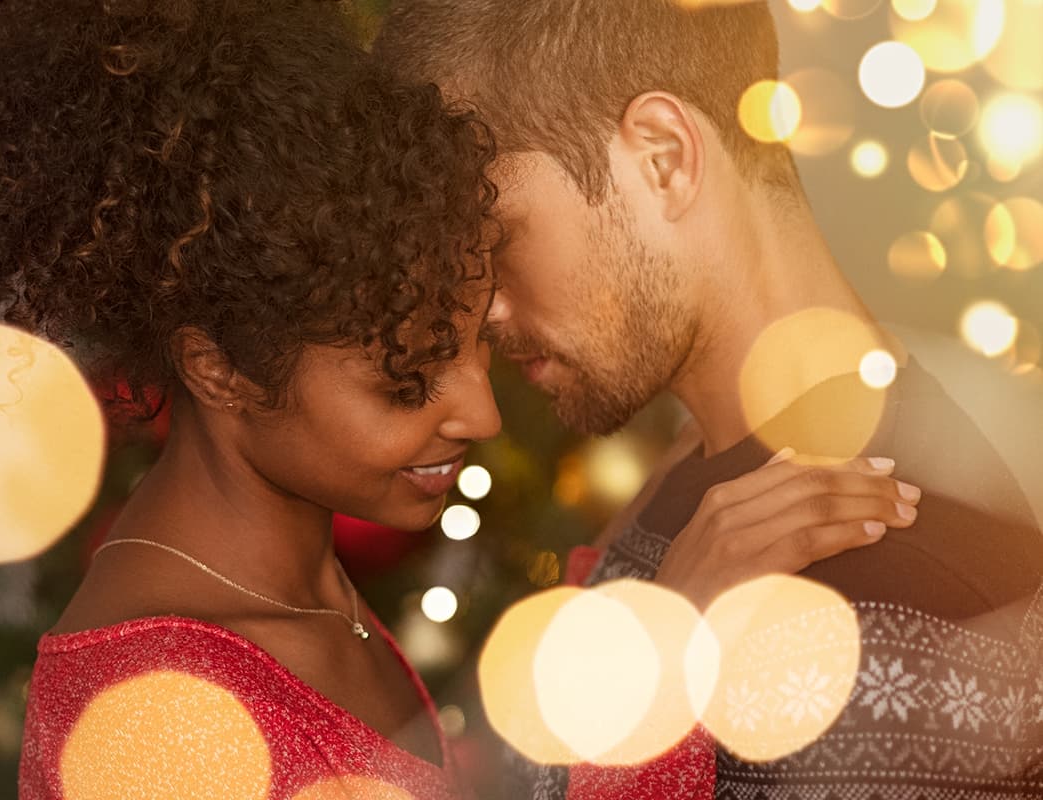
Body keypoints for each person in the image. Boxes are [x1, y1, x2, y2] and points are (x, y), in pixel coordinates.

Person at [0, 1, 924, 798]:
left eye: (472, 345)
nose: (478, 410)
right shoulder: (152, 717)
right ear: (218, 369)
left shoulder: (307, 594)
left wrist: (616, 563)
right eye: (403, 381)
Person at [377, 2, 1043, 798]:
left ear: (664, 158)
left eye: (498, 239)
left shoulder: (888, 595)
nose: (483, 309)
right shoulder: (697, 479)